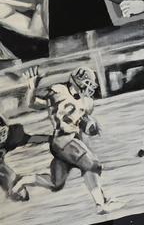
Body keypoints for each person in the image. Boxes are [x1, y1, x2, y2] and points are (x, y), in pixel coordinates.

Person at [17, 66, 124, 215]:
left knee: (56, 183)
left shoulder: (87, 102)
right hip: (62, 139)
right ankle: (101, 204)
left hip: (70, 141)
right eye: (87, 83)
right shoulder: (59, 90)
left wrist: (89, 132)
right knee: (92, 164)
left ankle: (24, 180)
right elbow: (32, 103)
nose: (89, 88)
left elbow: (81, 128)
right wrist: (31, 87)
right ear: (78, 80)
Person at [0, 113, 50, 201]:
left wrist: (49, 138)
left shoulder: (11, 137)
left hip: (1, 168)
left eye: (1, 133)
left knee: (20, 194)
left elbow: (31, 139)